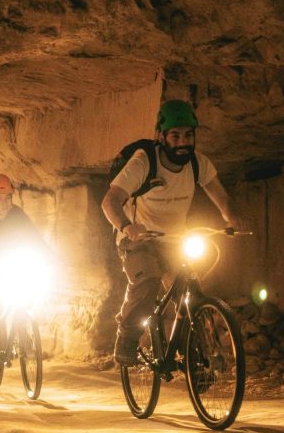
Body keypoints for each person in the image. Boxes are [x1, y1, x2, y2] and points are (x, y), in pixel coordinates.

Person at [101, 99, 239, 366]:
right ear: (161, 136)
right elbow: (110, 201)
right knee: (148, 281)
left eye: (188, 135)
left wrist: (232, 219)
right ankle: (127, 336)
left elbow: (221, 197)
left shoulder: (199, 164)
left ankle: (196, 364)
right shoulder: (144, 162)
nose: (183, 142)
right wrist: (127, 227)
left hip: (175, 240)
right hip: (138, 239)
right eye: (175, 136)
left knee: (191, 296)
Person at [0, 173, 48, 372]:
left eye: (8, 198)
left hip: (14, 266)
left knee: (25, 299)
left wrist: (48, 257)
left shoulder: (18, 215)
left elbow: (34, 238)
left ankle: (24, 339)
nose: (4, 203)